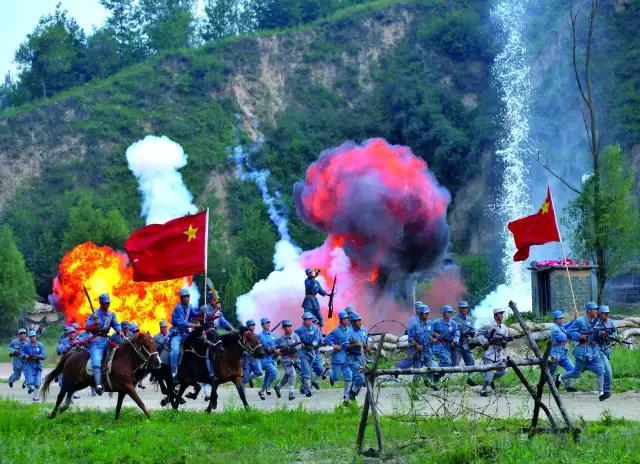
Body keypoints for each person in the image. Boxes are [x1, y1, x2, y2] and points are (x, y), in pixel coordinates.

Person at [558, 302, 605, 400]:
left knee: (601, 369)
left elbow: (598, 334)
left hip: (593, 350)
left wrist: (601, 334)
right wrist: (579, 336)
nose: (596, 311)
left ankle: (601, 392)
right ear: (589, 310)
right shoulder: (580, 321)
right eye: (594, 309)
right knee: (576, 373)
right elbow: (569, 332)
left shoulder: (597, 322)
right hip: (582, 350)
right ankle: (560, 377)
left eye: (596, 309)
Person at [84, 293, 122, 395]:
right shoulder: (94, 315)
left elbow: (116, 324)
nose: (107, 305)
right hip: (96, 341)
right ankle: (98, 385)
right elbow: (86, 327)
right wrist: (94, 325)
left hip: (107, 340)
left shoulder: (111, 314)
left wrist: (119, 330)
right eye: (105, 303)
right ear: (101, 303)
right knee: (96, 362)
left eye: (108, 303)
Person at [477, 308, 511, 397]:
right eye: (500, 313)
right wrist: (485, 342)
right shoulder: (489, 326)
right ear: (495, 315)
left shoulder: (504, 328)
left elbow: (505, 342)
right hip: (489, 352)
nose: (502, 315)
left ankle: (492, 380)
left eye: (502, 313)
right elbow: (478, 333)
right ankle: (483, 390)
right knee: (488, 375)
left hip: (499, 353)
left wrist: (504, 343)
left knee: (503, 371)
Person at [324, 311, 353, 404]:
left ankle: (346, 395)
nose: (346, 320)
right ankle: (328, 371)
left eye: (347, 319)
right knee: (335, 378)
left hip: (347, 357)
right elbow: (326, 339)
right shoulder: (335, 331)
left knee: (349, 376)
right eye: (345, 319)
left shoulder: (350, 330)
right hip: (337, 357)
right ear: (341, 320)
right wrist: (334, 345)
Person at [169, 288, 199, 380]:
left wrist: (202, 311)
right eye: (185, 297)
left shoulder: (190, 306)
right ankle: (173, 372)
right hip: (177, 334)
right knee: (175, 351)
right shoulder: (178, 308)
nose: (187, 298)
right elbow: (183, 323)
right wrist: (195, 325)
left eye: (188, 296)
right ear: (181, 298)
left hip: (186, 334)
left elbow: (195, 314)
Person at [407, 304, 437, 388]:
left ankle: (430, 382)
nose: (427, 315)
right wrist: (417, 345)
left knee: (432, 368)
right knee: (417, 372)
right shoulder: (414, 325)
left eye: (428, 313)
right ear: (420, 314)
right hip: (418, 352)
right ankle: (414, 390)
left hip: (427, 351)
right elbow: (410, 339)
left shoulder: (430, 324)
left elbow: (430, 335)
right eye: (425, 313)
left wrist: (432, 340)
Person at [549, 310, 577, 392]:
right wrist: (574, 334)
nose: (561, 320)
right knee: (550, 372)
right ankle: (542, 386)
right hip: (555, 355)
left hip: (563, 355)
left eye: (562, 318)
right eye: (559, 318)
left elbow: (568, 325)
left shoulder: (561, 326)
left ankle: (568, 386)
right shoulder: (554, 329)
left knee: (572, 369)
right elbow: (564, 337)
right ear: (555, 320)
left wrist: (574, 320)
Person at [295, 313, 322, 397]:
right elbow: (294, 339)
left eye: (310, 319)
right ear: (304, 320)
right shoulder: (299, 330)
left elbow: (317, 338)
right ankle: (308, 390)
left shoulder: (315, 328)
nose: (309, 321)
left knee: (309, 370)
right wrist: (300, 344)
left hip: (312, 352)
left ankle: (303, 387)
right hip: (302, 352)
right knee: (306, 370)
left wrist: (313, 344)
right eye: (307, 319)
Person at [344, 312, 369, 401]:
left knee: (359, 379)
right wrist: (354, 345)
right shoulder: (348, 332)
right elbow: (345, 346)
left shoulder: (364, 331)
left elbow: (367, 343)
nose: (359, 322)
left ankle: (348, 399)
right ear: (352, 322)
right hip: (352, 358)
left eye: (359, 320)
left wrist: (367, 347)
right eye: (356, 321)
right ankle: (352, 393)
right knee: (360, 378)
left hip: (362, 357)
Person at [431, 305, 460, 383]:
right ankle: (433, 373)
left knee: (449, 364)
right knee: (446, 362)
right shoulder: (436, 322)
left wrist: (455, 341)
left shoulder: (453, 323)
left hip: (448, 346)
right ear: (443, 313)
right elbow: (429, 330)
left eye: (451, 312)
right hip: (438, 345)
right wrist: (435, 335)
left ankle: (437, 376)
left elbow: (457, 333)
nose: (450, 314)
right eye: (448, 312)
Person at [594, 305, 616, 401]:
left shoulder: (611, 322)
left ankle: (602, 390)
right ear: (600, 314)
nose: (607, 315)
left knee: (601, 370)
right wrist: (599, 334)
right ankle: (606, 391)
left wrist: (609, 335)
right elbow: (591, 335)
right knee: (607, 369)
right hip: (597, 348)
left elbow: (615, 334)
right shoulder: (595, 323)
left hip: (607, 348)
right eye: (605, 313)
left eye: (608, 313)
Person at [275, 320, 301, 401]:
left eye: (290, 326)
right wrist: (277, 350)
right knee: (292, 374)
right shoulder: (281, 339)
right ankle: (291, 393)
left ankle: (278, 387)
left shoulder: (296, 336)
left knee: (288, 375)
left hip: (295, 358)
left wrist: (295, 348)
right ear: (284, 328)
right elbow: (275, 347)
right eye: (287, 327)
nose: (289, 328)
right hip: (286, 359)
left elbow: (299, 345)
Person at [453, 300, 477, 386]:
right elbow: (452, 332)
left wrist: (470, 333)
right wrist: (461, 333)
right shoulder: (454, 319)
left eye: (465, 308)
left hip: (466, 344)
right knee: (455, 364)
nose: (464, 309)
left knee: (471, 362)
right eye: (462, 308)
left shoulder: (470, 319)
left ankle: (469, 379)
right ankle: (453, 382)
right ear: (459, 309)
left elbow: (473, 331)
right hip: (457, 345)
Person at [20, 330, 46, 401]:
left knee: (37, 382)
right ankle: (28, 384)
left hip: (37, 364)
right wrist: (25, 355)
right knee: (31, 381)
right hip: (29, 364)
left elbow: (43, 355)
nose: (33, 338)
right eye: (31, 337)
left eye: (34, 336)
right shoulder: (26, 345)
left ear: (36, 337)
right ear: (29, 338)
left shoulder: (40, 345)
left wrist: (38, 356)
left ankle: (35, 397)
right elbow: (21, 352)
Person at [258, 317, 279, 400]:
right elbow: (260, 348)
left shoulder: (273, 335)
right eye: (266, 323)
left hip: (273, 358)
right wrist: (269, 349)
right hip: (264, 359)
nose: (268, 324)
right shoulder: (260, 335)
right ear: (262, 325)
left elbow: (277, 345)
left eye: (268, 323)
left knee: (267, 377)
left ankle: (261, 392)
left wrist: (277, 351)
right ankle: (268, 386)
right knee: (274, 372)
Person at [241, 320, 263, 387]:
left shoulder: (256, 335)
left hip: (255, 357)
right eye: (251, 325)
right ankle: (241, 388)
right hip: (247, 358)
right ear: (248, 327)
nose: (253, 327)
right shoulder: (244, 335)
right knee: (245, 379)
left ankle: (250, 379)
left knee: (259, 372)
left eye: (253, 325)